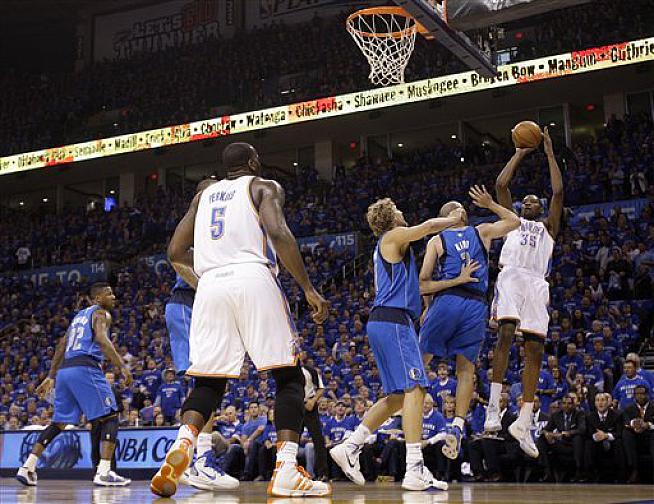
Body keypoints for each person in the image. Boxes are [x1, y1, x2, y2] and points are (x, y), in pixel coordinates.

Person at [150, 142, 330, 498]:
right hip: (252, 276)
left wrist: (214, 269)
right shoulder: (263, 186)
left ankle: (184, 443)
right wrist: (308, 288)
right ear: (253, 162)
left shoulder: (202, 196)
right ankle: (286, 470)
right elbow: (278, 233)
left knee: (208, 383)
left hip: (210, 284)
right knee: (290, 377)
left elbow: (175, 252)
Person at [330, 197, 462, 491]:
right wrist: (455, 221)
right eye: (399, 210)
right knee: (416, 388)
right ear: (391, 217)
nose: (403, 212)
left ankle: (350, 446)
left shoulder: (393, 245)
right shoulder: (393, 235)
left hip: (388, 321)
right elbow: (428, 226)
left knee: (397, 397)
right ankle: (414, 468)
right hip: (394, 322)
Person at [419, 185, 520, 460]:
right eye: (456, 208)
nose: (461, 210)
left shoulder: (476, 232)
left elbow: (514, 222)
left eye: (461, 208)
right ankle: (417, 414)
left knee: (456, 366)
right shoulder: (444, 238)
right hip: (460, 301)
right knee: (435, 363)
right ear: (448, 216)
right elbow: (423, 284)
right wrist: (432, 303)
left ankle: (454, 425)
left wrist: (490, 204)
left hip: (464, 303)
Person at [485, 127, 564, 460]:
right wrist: (519, 152)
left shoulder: (549, 227)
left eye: (535, 201)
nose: (530, 202)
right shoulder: (512, 221)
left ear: (541, 208)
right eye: (526, 201)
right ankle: (493, 407)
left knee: (535, 350)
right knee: (505, 332)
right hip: (512, 276)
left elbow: (558, 191)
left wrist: (549, 153)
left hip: (537, 283)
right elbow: (501, 185)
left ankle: (524, 420)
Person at [16, 283, 131, 487]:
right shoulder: (100, 313)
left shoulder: (78, 318)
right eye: (109, 294)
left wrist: (51, 376)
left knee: (59, 423)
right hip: (85, 367)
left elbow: (62, 345)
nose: (114, 297)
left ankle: (27, 467)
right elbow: (102, 339)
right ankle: (104, 472)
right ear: (97, 299)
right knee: (111, 416)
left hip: (65, 371)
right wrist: (122, 366)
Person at [164, 176, 238, 490]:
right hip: (187, 303)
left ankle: (194, 454)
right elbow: (176, 259)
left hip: (198, 306)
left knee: (208, 380)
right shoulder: (199, 225)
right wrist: (209, 288)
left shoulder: (211, 225)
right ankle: (202, 460)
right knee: (206, 379)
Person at [536, 393, 586, 482]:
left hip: (573, 444)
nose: (566, 406)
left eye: (569, 403)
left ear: (573, 405)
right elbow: (545, 429)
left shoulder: (579, 413)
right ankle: (547, 472)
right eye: (564, 403)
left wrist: (565, 433)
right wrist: (547, 434)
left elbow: (582, 429)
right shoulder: (556, 415)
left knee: (577, 438)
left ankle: (579, 472)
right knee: (542, 439)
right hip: (561, 444)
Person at [584, 392, 622, 482]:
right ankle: (590, 475)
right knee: (588, 443)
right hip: (596, 442)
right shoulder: (589, 416)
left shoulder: (617, 415)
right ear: (595, 403)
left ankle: (619, 475)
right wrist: (596, 436)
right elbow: (588, 433)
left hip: (612, 441)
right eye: (597, 400)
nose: (600, 403)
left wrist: (606, 435)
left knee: (619, 442)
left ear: (608, 402)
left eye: (602, 400)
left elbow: (619, 432)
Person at [301, 361, 329, 480]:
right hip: (294, 405)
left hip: (309, 404)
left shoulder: (310, 370)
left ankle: (323, 473)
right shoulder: (285, 371)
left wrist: (313, 401)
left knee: (318, 439)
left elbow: (321, 388)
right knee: (291, 441)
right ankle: (289, 472)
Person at [621, 384, 654, 483]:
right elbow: (626, 422)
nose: (640, 396)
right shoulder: (629, 408)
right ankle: (634, 470)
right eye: (637, 394)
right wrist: (634, 424)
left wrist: (648, 425)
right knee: (626, 433)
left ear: (647, 395)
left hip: (650, 436)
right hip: (635, 437)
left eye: (642, 394)